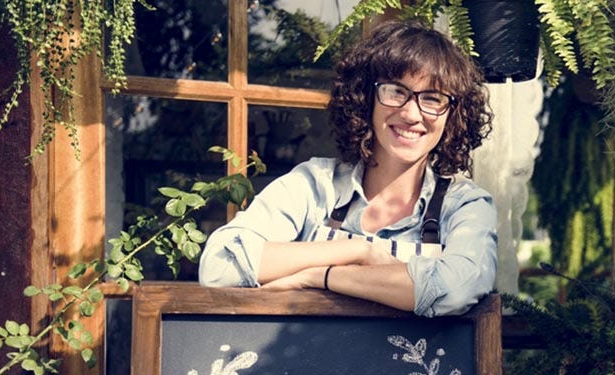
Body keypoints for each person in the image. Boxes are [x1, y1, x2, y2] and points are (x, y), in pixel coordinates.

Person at [198, 21, 497, 317]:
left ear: (453, 116)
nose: (410, 113)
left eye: (432, 98)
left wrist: (318, 277)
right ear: (366, 97)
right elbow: (218, 265)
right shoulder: (316, 185)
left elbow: (456, 287)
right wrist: (357, 252)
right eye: (395, 91)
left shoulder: (465, 205)